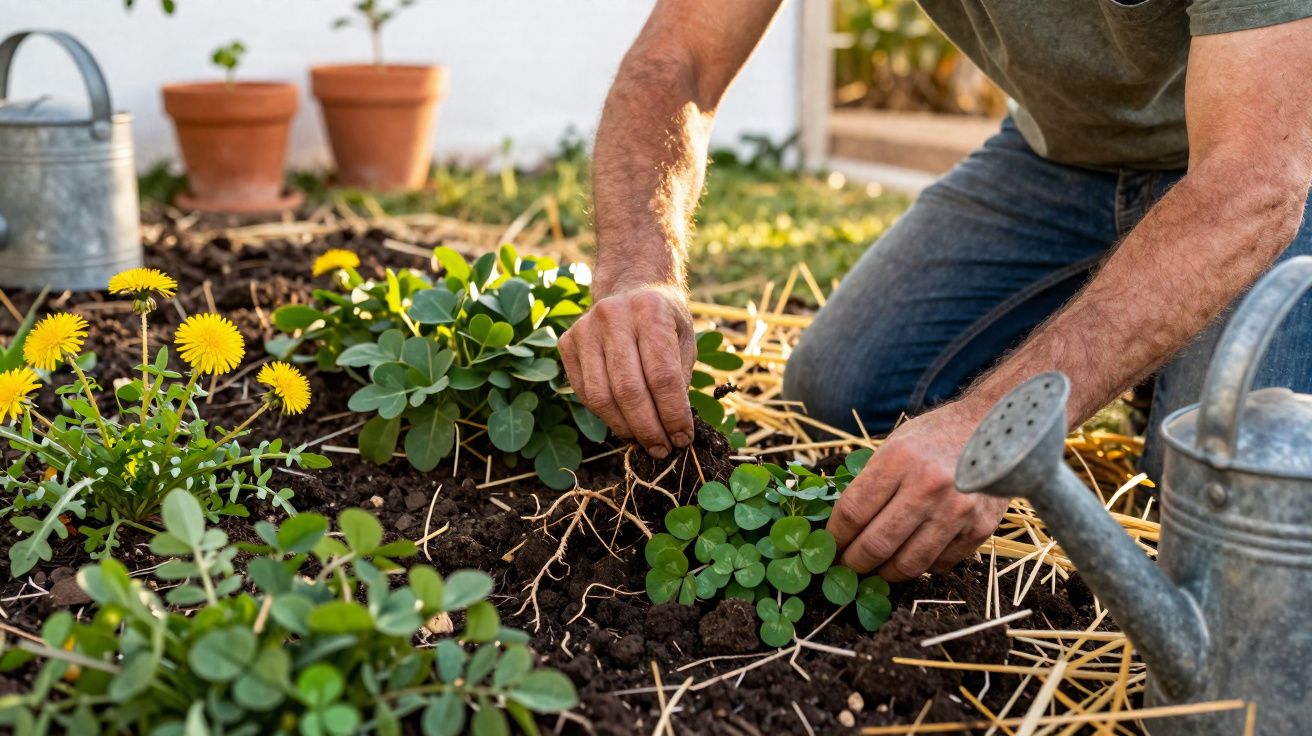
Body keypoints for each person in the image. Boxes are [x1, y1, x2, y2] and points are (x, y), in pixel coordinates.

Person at [558, 0, 1312, 583]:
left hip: (1277, 160)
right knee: (841, 392)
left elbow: (1254, 178)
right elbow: (674, 59)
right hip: (1064, 158)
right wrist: (638, 268)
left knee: (1219, 500)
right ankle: (1157, 337)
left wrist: (995, 421)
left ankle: (1163, 349)